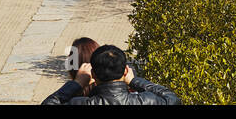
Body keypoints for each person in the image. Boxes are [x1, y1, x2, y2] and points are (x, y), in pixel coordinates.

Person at [42, 44, 180, 106]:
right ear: (125, 71)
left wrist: (77, 83)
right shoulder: (147, 101)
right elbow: (171, 97)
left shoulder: (79, 103)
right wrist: (134, 81)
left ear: (93, 74)